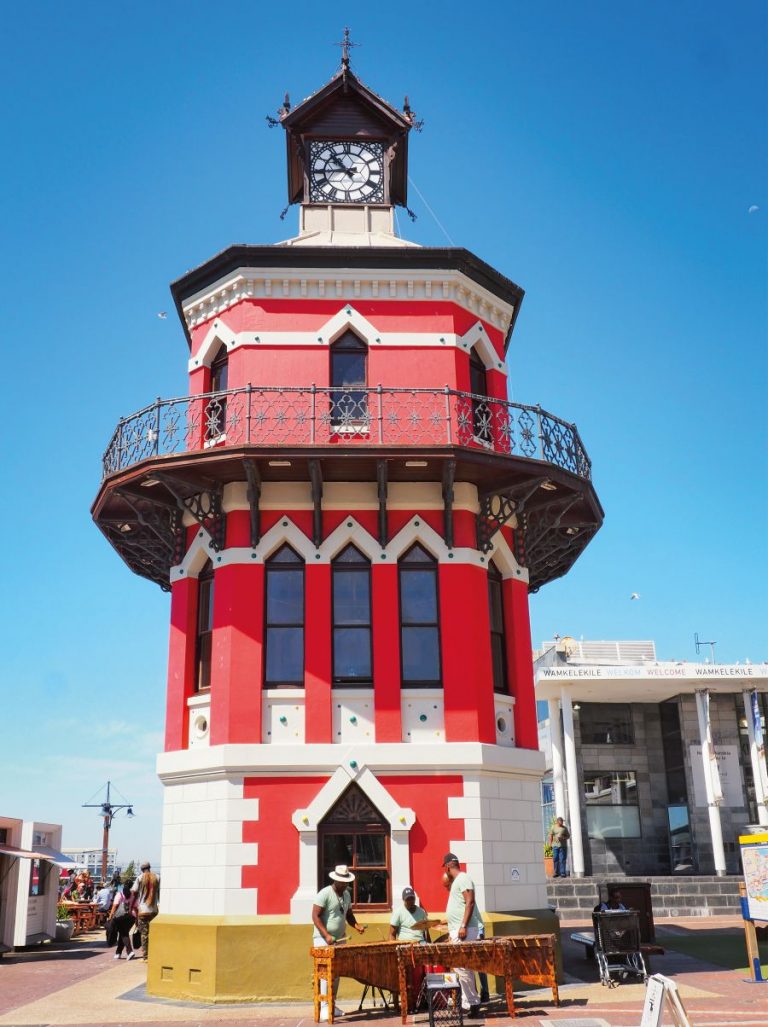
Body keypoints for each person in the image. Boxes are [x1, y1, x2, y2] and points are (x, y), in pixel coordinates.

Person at [312, 865, 367, 1021]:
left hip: (340, 938)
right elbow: (315, 916)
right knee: (325, 974)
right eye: (341, 882)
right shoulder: (324, 894)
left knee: (336, 973)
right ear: (335, 880)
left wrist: (357, 926)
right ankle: (323, 1007)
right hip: (322, 939)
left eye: (346, 882)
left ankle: (332, 1004)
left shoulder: (347, 894)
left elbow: (348, 914)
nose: (344, 885)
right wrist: (327, 935)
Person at [441, 853, 483, 1017]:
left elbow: (470, 901)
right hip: (458, 930)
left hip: (464, 930)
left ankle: (473, 1002)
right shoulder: (458, 881)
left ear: (448, 866)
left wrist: (463, 926)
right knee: (462, 967)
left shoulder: (463, 878)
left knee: (462, 966)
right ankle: (469, 1002)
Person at [131, 861, 160, 961]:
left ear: (142, 869)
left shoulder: (139, 878)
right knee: (153, 933)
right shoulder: (157, 877)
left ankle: (146, 956)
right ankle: (154, 953)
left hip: (143, 910)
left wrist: (131, 907)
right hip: (154, 910)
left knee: (144, 934)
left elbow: (134, 893)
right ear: (150, 868)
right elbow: (160, 893)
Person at [108, 877, 137, 959]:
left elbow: (115, 906)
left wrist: (110, 916)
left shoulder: (120, 894)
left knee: (124, 934)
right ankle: (118, 953)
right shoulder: (133, 896)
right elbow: (136, 907)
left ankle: (130, 951)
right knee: (123, 933)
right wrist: (137, 918)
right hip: (131, 918)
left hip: (120, 917)